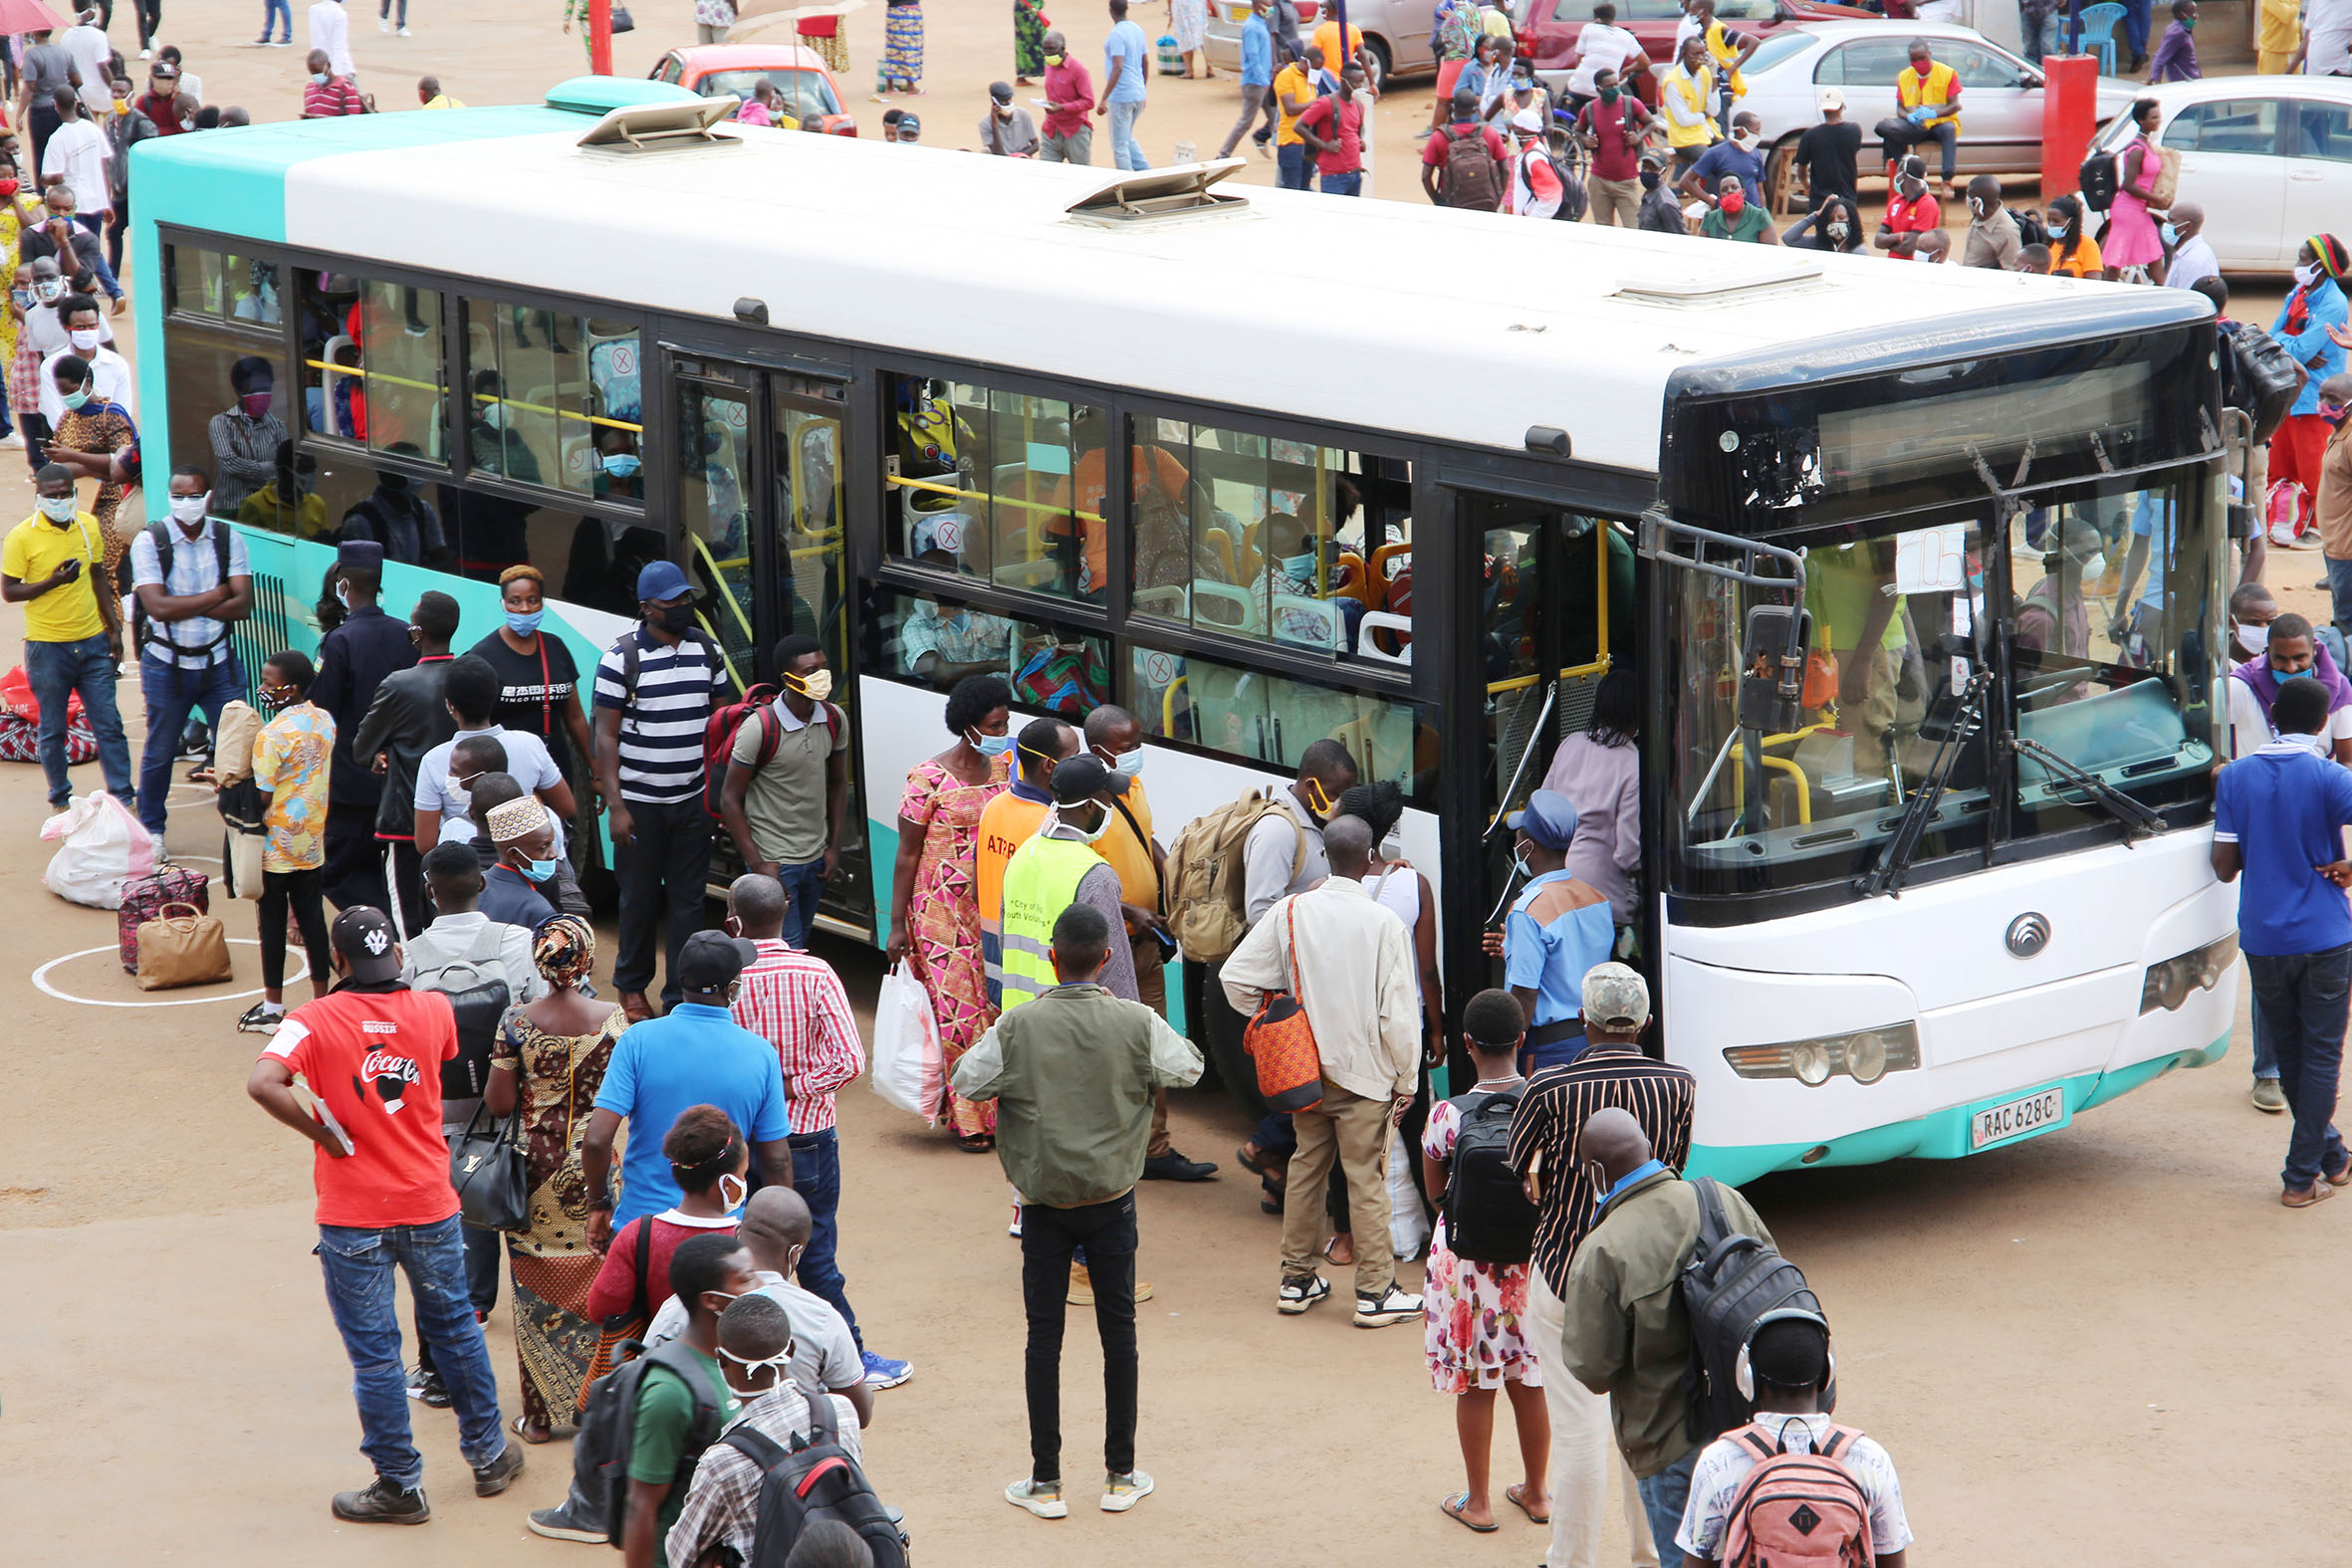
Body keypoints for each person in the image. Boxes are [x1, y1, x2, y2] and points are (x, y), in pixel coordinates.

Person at [245, 905, 524, 1524]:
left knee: (375, 1355)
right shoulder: (433, 1009)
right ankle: (489, 1457)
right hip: (428, 1200)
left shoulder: (308, 1020)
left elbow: (264, 1083)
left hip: (353, 1214)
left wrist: (322, 1132)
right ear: (395, 955)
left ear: (337, 961)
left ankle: (400, 1485)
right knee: (454, 1327)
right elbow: (441, 1059)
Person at [953, 899, 1204, 1520]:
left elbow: (966, 1080)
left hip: (1042, 1204)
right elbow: (1189, 1068)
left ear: (1051, 958)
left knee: (1045, 1337)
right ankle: (1120, 1475)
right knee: (1119, 1333)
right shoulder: (1136, 1021)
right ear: (1108, 959)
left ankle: (1047, 1482)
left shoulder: (1018, 1025)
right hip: (1113, 1200)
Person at [1503, 963, 1694, 1568]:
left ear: (1583, 1021)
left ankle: (1571, 1561)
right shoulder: (1679, 1085)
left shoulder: (1547, 1089)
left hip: (1565, 1270)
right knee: (1647, 1428)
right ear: (1645, 1023)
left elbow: (1518, 1171)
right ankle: (1650, 1555)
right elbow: (1672, 1172)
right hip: (1654, 1275)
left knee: (1579, 1433)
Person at [1223, 813, 1423, 1327]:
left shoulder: (1292, 910)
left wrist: (1274, 1024)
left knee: (1306, 1169)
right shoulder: (1384, 924)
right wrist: (1407, 1080)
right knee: (1367, 1180)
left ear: (1326, 856)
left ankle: (1296, 1280)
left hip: (1306, 1074)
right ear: (1370, 856)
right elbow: (1398, 1015)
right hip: (1366, 1076)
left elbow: (1236, 977)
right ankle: (1376, 1293)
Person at [1559, 1105, 1774, 1566]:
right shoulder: (1722, 1198)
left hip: (1668, 1441)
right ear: (1649, 1150)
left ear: (1596, 1172)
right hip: (1753, 1424)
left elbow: (1592, 1369)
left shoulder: (1603, 1249)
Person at [725, 873, 913, 1388]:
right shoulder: (816, 972)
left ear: (733, 920)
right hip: (807, 1138)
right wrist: (793, 1087)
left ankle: (743, 1356)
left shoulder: (727, 979)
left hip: (740, 1144)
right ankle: (848, 1360)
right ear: (784, 912)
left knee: (741, 1247)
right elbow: (850, 1061)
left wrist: (762, 1092)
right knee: (814, 1253)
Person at [2212, 675, 2352, 1206]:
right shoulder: (2330, 776)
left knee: (2291, 1055)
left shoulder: (2235, 777)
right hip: (2325, 935)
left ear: (2273, 718)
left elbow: (2224, 867)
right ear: (2322, 723)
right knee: (2319, 1056)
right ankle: (2300, 1177)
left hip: (2264, 937)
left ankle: (2334, 1159)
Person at [482, 916, 623, 1443]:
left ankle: (538, 1419)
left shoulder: (516, 1021)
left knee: (532, 1290)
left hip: (533, 1174)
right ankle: (597, 1409)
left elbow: (498, 1103)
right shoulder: (614, 1021)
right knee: (601, 1286)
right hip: (595, 1173)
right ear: (586, 958)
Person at [1423, 990, 1549, 1533]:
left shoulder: (1447, 1114)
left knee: (1477, 1384)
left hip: (1468, 1268)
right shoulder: (1546, 1106)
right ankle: (1538, 1493)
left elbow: (1436, 1194)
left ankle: (1477, 1502)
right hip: (1530, 1267)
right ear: (1522, 1041)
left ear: (1466, 1044)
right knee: (1530, 1378)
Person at [584, 931, 795, 1246]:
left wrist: (598, 1203)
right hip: (725, 1238)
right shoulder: (761, 1054)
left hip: (642, 1231)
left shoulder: (637, 1040)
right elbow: (777, 1161)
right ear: (732, 989)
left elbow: (597, 1139)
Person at [1082, 706, 1217, 1183]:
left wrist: (1172, 871)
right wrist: (1129, 912)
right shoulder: (1084, 802)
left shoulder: (1129, 786)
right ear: (1098, 749)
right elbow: (1078, 879)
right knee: (1111, 1052)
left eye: (1138, 743)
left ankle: (1155, 1149)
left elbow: (1145, 839)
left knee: (1153, 1042)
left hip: (1145, 944)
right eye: (1127, 747)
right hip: (1107, 950)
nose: (1136, 754)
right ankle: (1113, 1149)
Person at [594, 560, 732, 1019]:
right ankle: (631, 987)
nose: (680, 607)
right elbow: (606, 737)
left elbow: (721, 721)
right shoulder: (620, 658)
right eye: (670, 601)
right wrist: (616, 806)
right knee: (638, 899)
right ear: (646, 608)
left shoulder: (707, 652)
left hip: (691, 800)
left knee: (689, 903)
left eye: (684, 599)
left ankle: (681, 993)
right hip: (639, 803)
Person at [1673, 1312, 1913, 1566]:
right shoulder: (1870, 1460)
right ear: (1826, 1374)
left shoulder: (1719, 1461)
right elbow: (1892, 1561)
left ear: (1748, 1377)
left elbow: (1699, 1561)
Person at [886, 673, 1014, 1145]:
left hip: (993, 908)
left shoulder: (1006, 772)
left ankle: (994, 1110)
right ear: (969, 725)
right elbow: (906, 853)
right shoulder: (927, 779)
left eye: (1006, 722)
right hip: (939, 911)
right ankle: (970, 1118)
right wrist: (896, 924)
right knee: (959, 1016)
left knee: (993, 1010)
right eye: (995, 724)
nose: (1003, 731)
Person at [662, 1294, 868, 1568]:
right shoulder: (840, 1411)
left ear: (721, 1360)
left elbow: (680, 1555)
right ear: (790, 1350)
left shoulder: (722, 1462)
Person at [640, 1186, 876, 1422]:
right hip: (793, 1450)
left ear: (737, 1232)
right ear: (794, 1254)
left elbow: (643, 1382)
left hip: (702, 1451)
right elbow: (861, 1411)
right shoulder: (821, 1317)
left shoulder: (683, 1305)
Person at [609, 1232, 758, 1568]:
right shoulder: (670, 1393)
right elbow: (641, 1505)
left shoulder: (743, 1358)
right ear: (713, 1300)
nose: (758, 1287)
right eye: (746, 1279)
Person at [129, 464, 253, 838]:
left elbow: (244, 605)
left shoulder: (228, 538)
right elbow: (157, 608)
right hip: (167, 664)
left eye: (194, 496)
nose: (186, 503)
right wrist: (217, 594)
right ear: (169, 497)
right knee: (161, 750)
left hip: (219, 663)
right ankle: (152, 831)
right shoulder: (150, 541)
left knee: (239, 748)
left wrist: (185, 603)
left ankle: (245, 825)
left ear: (209, 497)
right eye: (178, 496)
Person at [2, 461, 127, 810]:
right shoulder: (21, 537)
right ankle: (60, 798)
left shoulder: (88, 526)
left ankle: (124, 797)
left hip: (92, 642)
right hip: (47, 648)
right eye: (52, 495)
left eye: (65, 494)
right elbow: (10, 592)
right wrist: (52, 583)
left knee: (109, 726)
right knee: (53, 729)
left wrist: (113, 629)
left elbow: (99, 578)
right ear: (38, 497)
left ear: (74, 493)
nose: (60, 500)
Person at [718, 636, 848, 951]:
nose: (820, 675)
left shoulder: (833, 719)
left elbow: (838, 783)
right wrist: (759, 864)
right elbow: (729, 799)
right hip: (775, 862)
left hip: (815, 860)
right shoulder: (760, 728)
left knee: (799, 942)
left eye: (823, 667)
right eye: (809, 670)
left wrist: (832, 847)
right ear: (788, 679)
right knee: (787, 950)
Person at [313, 540, 416, 915]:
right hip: (400, 780)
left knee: (341, 873)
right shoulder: (406, 633)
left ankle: (374, 939)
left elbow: (322, 711)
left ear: (343, 584)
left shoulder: (338, 642)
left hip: (351, 783)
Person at [350, 589, 460, 937]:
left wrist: (381, 753)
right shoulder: (468, 676)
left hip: (408, 824)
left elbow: (362, 747)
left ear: (417, 633)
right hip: (461, 818)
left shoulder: (398, 685)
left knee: (410, 922)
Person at [238, 651, 339, 1033]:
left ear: (290, 688)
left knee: (273, 922)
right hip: (311, 839)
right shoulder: (325, 721)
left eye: (268, 682)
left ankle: (273, 1005)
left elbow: (261, 795)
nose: (263, 689)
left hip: (276, 845)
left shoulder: (272, 734)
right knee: (313, 918)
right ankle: (322, 1001)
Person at [589, 1107, 751, 1336]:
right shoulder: (745, 1242)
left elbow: (599, 1309)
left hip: (656, 1363)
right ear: (727, 1183)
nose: (744, 1181)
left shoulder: (638, 1235)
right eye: (743, 1173)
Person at [1488, 789, 1615, 1072]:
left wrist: (1507, 1056)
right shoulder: (1596, 898)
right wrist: (1512, 950)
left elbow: (1524, 993)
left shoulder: (1527, 910)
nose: (1516, 843)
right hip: (1592, 1040)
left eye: (1519, 836)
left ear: (1529, 847)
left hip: (1548, 1051)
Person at [977, 715, 1076, 1008]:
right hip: (1037, 968)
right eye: (1074, 757)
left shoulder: (993, 806)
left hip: (996, 958)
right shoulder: (1049, 824)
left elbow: (975, 888)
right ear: (1049, 766)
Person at [468, 562, 594, 786]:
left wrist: (596, 771)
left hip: (556, 771)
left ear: (542, 602)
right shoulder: (483, 656)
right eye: (515, 601)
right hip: (507, 775)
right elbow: (474, 727)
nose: (525, 608)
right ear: (503, 604)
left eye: (532, 600)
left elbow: (575, 717)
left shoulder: (556, 647)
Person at [1539, 669, 1641, 934]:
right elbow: (1628, 852)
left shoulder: (1570, 744)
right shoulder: (1633, 762)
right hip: (1602, 897)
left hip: (1553, 885)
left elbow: (1541, 810)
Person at [2270, 236, 2352, 543]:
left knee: (2316, 471)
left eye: (2304, 260)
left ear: (2321, 265)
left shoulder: (2333, 303)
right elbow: (2274, 334)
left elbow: (2302, 350)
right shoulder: (2298, 293)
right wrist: (2288, 344)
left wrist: (2285, 343)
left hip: (2316, 398)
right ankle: (2287, 521)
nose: (2299, 265)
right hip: (2289, 393)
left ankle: (2320, 529)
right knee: (2281, 467)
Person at [40, 346, 134, 557]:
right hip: (75, 504)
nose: (67, 396)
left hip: (112, 501)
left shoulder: (111, 416)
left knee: (106, 564)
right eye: (62, 392)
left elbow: (125, 463)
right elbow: (60, 467)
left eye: (71, 390)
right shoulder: (67, 419)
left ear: (87, 383)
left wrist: (76, 461)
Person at [2230, 611, 2352, 766]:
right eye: (2280, 659)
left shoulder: (2339, 691)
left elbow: (2347, 760)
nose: (2290, 668)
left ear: (2314, 650)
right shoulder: (2242, 686)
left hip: (2313, 785)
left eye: (2299, 658)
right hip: (2254, 786)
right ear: (2268, 652)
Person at [1882, 38, 1962, 193]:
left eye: (1922, 58)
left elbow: (1955, 105)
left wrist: (1934, 113)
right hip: (1914, 126)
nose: (1918, 62)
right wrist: (1908, 117)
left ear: (1929, 54)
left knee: (1949, 129)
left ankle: (1947, 180)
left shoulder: (1946, 73)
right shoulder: (1904, 76)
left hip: (1938, 124)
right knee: (1886, 129)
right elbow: (1900, 109)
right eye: (1914, 59)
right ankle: (1905, 173)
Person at [210, 356, 287, 518]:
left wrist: (250, 469)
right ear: (239, 391)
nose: (260, 395)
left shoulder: (278, 425)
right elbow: (230, 464)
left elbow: (285, 466)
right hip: (231, 510)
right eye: (252, 390)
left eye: (265, 388)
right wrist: (269, 468)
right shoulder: (220, 423)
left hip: (268, 510)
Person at [482, 789, 566, 930]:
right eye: (543, 848)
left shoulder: (475, 887)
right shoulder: (537, 909)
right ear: (514, 855)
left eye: (552, 843)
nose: (554, 854)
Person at [1576, 68, 1649, 227]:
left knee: (1634, 227)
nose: (1615, 89)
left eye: (1616, 84)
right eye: (1609, 86)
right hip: (1599, 182)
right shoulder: (1589, 109)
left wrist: (1638, 137)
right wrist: (1585, 140)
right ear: (1599, 89)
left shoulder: (1630, 104)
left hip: (1626, 181)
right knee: (1603, 230)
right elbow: (1578, 131)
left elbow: (1650, 123)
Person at [2104, 99, 2166, 281]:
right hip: (2128, 209)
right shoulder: (2137, 149)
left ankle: (2165, 292)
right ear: (2141, 120)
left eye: (2158, 117)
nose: (2158, 121)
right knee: (2116, 258)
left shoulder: (2146, 145)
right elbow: (2129, 185)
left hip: (2137, 208)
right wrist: (2155, 198)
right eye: (2153, 118)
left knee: (2153, 253)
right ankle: (2106, 291)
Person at [1422, 88, 1508, 209]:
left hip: (1452, 202)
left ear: (1452, 108)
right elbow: (1505, 169)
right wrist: (1498, 197)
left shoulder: (1439, 136)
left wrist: (1438, 202)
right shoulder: (1490, 133)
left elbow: (1425, 176)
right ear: (1475, 110)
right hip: (1486, 200)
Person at [40, 88, 110, 238]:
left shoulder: (58, 138)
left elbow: (56, 178)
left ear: (55, 105)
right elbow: (105, 165)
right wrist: (106, 201)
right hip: (96, 201)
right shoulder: (93, 128)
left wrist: (44, 179)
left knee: (76, 248)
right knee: (92, 248)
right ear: (77, 103)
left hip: (72, 205)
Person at [1296, 62, 1368, 196]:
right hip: (1333, 176)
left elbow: (1353, 131)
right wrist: (1324, 145)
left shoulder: (1359, 105)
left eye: (1362, 82)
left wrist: (1360, 143)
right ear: (1343, 81)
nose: (1360, 86)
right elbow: (1299, 127)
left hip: (1355, 173)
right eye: (1356, 82)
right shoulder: (1326, 103)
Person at [1097, 0, 1152, 172]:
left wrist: (1104, 97)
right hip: (1137, 93)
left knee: (1120, 145)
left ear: (1111, 10)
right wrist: (1142, 88)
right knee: (1127, 138)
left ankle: (1127, 182)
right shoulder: (1137, 29)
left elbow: (1118, 67)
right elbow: (1145, 61)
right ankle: (1145, 172)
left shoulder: (1116, 35)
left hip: (1121, 96)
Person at [1216, 0, 1275, 160]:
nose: (1270, 8)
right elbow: (1253, 56)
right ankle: (1223, 155)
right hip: (1255, 83)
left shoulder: (1261, 22)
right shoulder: (1251, 27)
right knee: (1246, 122)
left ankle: (1261, 139)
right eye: (1267, 5)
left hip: (1264, 81)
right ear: (1258, 5)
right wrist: (1264, 81)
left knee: (1276, 118)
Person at [1678, 108, 1764, 210]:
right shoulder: (1716, 153)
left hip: (1752, 217)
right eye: (1757, 130)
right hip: (1727, 216)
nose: (1759, 135)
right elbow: (1685, 182)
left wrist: (1764, 215)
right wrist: (1712, 202)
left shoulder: (1755, 153)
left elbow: (1760, 190)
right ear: (1741, 131)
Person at [1790, 87, 1860, 212]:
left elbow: (1801, 171)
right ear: (1842, 106)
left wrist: (1807, 187)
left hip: (1820, 202)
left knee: (1822, 231)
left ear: (1822, 109)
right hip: (1847, 199)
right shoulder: (1854, 130)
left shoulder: (1810, 136)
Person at [1566, 2, 1646, 110]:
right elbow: (1645, 62)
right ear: (1613, 18)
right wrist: (1625, 71)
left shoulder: (1588, 28)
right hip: (1604, 92)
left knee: (1569, 95)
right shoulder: (1627, 36)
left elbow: (1579, 59)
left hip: (1578, 88)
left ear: (1596, 19)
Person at [1658, 36, 1717, 179]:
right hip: (1684, 138)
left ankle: (1727, 198)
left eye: (1702, 54)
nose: (1700, 58)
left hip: (1706, 131)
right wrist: (1704, 116)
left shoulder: (1705, 73)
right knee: (1710, 160)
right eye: (1695, 54)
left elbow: (1715, 110)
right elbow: (1683, 120)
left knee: (1729, 154)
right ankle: (1711, 200)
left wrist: (1714, 76)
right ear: (1684, 53)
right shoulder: (1673, 81)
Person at [1038, 30, 1095, 163]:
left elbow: (1089, 101)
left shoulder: (1078, 70)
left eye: (1051, 49)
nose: (1048, 54)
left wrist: (1063, 107)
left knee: (1080, 174)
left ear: (1062, 49)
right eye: (1044, 50)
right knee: (1046, 174)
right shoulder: (1049, 67)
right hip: (1051, 128)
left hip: (1075, 130)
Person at [1873, 155, 1945, 261]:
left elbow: (1910, 248)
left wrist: (1888, 242)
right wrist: (1900, 236)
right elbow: (1878, 240)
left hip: (1914, 267)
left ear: (1904, 176)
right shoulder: (1895, 202)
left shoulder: (1927, 204)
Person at [1270, 42, 1319, 191]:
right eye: (1315, 68)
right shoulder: (1286, 76)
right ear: (1305, 62)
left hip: (1308, 142)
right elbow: (1290, 108)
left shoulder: (1310, 78)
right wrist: (1315, 104)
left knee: (1304, 187)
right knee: (1292, 189)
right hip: (1291, 142)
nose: (1317, 72)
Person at [1506, 109, 1565, 218]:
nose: (1511, 131)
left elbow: (1553, 196)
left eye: (1514, 128)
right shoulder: (1528, 151)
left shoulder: (1533, 158)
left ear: (1522, 131)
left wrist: (1533, 222)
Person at [2161, 201, 2219, 294]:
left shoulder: (2194, 260)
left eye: (2171, 220)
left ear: (2187, 226)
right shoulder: (2185, 253)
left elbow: (2185, 301)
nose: (2166, 224)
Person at [1698, 174, 1772, 243]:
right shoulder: (1710, 218)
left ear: (1743, 193)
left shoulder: (1760, 217)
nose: (1730, 191)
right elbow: (1702, 251)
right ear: (1720, 197)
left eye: (1734, 187)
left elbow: (1769, 252)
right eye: (1724, 189)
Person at [1781, 191, 1863, 253]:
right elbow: (1788, 238)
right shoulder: (1817, 243)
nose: (1836, 222)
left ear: (1851, 221)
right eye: (1831, 219)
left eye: (1841, 218)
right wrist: (1817, 214)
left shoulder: (1859, 251)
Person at [2045, 191, 2102, 278]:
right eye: (2049, 220)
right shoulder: (2047, 245)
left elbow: (2094, 282)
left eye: (2056, 221)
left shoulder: (2087, 245)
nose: (2051, 225)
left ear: (2070, 222)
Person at [980, 79, 1040, 155]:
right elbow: (998, 153)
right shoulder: (985, 124)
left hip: (1023, 159)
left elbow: (1036, 145)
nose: (1008, 103)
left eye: (1009, 99)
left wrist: (1017, 157)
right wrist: (994, 124)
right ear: (993, 101)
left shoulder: (1023, 114)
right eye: (1003, 101)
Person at [303, 51, 367, 117]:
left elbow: (353, 121)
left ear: (328, 65)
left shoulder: (346, 89)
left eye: (318, 72)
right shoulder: (309, 89)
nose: (315, 75)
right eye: (312, 73)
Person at [878, 0, 924, 95]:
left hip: (893, 10)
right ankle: (911, 87)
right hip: (909, 10)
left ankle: (890, 87)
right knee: (910, 48)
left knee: (892, 47)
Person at [2148, 0, 2201, 78]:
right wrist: (2154, 78)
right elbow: (2160, 57)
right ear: (2181, 15)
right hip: (2185, 82)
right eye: (2192, 13)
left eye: (2195, 12)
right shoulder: (2178, 33)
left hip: (2192, 78)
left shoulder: (2184, 29)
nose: (2195, 16)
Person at [1635, 150, 1683, 233]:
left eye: (1652, 168)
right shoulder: (1650, 193)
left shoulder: (1665, 203)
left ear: (1663, 172)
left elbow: (1679, 236)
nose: (1646, 172)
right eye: (1644, 167)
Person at [310, 0, 358, 80]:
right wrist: (336, 76)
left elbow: (315, 43)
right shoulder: (339, 13)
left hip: (319, 69)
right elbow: (339, 47)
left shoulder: (313, 10)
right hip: (340, 70)